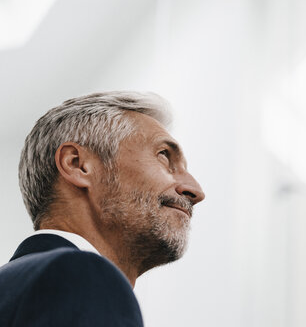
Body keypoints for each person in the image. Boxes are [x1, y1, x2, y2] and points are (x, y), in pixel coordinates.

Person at [0, 91, 205, 326]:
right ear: (78, 165)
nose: (196, 191)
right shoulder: (81, 276)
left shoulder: (15, 288)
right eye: (164, 156)